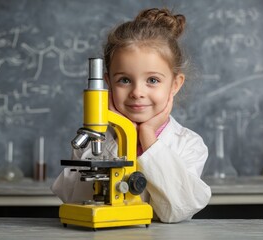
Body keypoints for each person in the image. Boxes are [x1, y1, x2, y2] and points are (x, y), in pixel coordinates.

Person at [51, 7, 211, 223]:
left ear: (175, 84)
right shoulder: (93, 141)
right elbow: (73, 198)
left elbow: (178, 210)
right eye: (124, 80)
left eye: (152, 80)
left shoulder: (189, 145)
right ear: (107, 84)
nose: (137, 92)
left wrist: (147, 135)